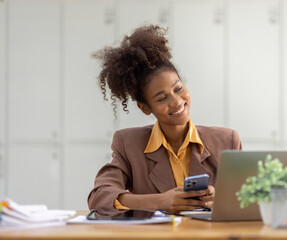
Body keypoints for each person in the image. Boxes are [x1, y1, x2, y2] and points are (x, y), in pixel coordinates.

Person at [88, 25, 242, 214]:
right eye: (162, 98)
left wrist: (223, 198)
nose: (177, 102)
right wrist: (158, 201)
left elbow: (251, 198)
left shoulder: (226, 141)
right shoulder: (128, 144)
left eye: (178, 89)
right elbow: (99, 197)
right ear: (145, 108)